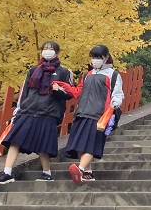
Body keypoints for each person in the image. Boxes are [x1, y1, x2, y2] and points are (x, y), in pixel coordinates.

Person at [0, 41, 74, 184]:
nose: (47, 51)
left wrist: (59, 91)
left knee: (44, 145)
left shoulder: (64, 72)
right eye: (45, 48)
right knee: (14, 140)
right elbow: (24, 93)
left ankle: (47, 173)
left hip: (48, 112)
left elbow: (70, 93)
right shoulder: (33, 70)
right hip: (28, 110)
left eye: (50, 49)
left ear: (57, 52)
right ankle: (7, 173)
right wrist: (17, 113)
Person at [53, 44, 124, 184]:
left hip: (99, 116)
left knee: (90, 144)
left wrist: (114, 106)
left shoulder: (113, 75)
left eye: (98, 57)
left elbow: (118, 94)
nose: (95, 60)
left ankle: (80, 169)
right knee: (80, 144)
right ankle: (87, 172)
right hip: (82, 113)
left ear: (106, 58)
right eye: (93, 57)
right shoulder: (87, 75)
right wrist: (62, 87)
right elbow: (77, 92)